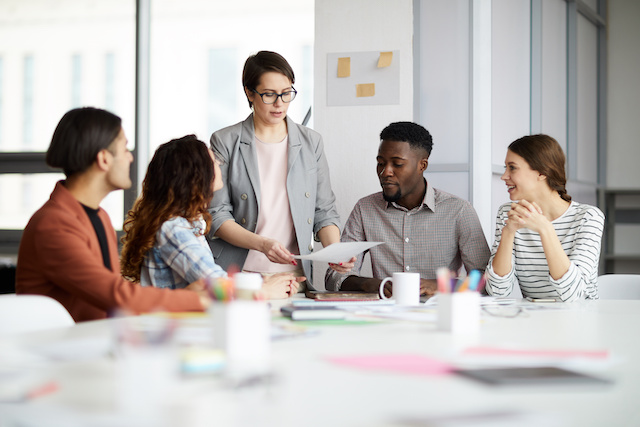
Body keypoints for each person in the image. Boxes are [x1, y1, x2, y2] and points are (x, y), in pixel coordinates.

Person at [16, 108, 209, 322]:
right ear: (104, 159)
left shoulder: (99, 216)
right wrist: (197, 300)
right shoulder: (53, 224)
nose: (130, 157)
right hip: (59, 348)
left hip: (95, 338)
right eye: (125, 148)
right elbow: (116, 295)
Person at [208, 51, 352, 290]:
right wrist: (263, 244)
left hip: (294, 276)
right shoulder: (225, 141)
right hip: (238, 274)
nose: (279, 103)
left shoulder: (311, 142)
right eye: (269, 95)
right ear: (249, 93)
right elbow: (217, 215)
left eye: (286, 94)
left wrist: (335, 252)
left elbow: (324, 210)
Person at [120, 135, 303, 299]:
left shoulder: (187, 222)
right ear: (196, 175)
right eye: (214, 161)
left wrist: (272, 282)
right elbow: (214, 282)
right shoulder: (173, 228)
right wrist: (266, 289)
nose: (220, 165)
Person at [325, 121, 490, 296]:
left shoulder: (459, 211)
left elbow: (485, 280)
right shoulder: (365, 209)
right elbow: (334, 276)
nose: (385, 172)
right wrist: (374, 285)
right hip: (384, 316)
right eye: (381, 163)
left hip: (440, 314)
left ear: (422, 166)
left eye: (397, 164)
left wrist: (441, 285)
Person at [485, 134, 604, 301]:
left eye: (512, 167)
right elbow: (497, 291)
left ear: (541, 172)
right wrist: (508, 232)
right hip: (531, 319)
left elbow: (574, 295)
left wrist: (545, 229)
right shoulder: (509, 213)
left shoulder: (588, 217)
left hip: (579, 319)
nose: (504, 176)